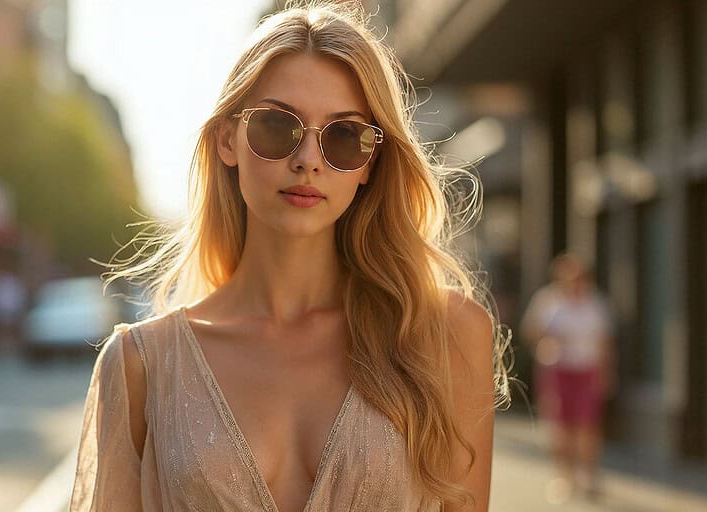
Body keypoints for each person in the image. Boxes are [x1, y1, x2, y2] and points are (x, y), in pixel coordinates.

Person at [70, 2, 511, 511]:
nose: (308, 160)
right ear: (227, 140)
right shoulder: (140, 367)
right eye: (278, 127)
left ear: (370, 163)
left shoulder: (447, 337)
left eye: (344, 135)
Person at [520, 252, 616, 501]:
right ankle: (565, 477)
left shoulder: (596, 304)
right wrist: (547, 340)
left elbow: (606, 343)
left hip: (587, 369)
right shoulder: (548, 301)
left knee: (587, 426)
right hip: (556, 370)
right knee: (560, 427)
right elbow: (531, 331)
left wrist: (606, 374)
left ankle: (588, 476)